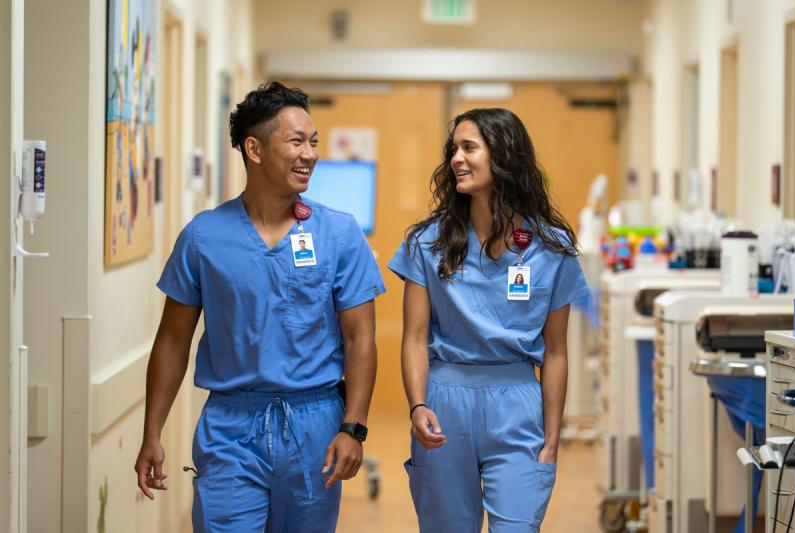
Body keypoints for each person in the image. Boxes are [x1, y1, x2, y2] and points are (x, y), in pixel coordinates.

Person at [134, 82, 385, 532]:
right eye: (296, 142)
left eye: (313, 142)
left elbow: (359, 337)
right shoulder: (203, 236)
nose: (309, 154)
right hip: (231, 425)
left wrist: (354, 427)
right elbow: (172, 340)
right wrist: (152, 431)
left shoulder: (340, 235)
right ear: (254, 148)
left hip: (316, 425)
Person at [388, 108, 588, 532]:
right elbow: (414, 338)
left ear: (504, 155)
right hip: (444, 404)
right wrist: (418, 403)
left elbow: (555, 351)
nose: (456, 159)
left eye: (469, 148)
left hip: (517, 407)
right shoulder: (428, 242)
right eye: (453, 149)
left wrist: (552, 440)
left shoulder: (551, 248)